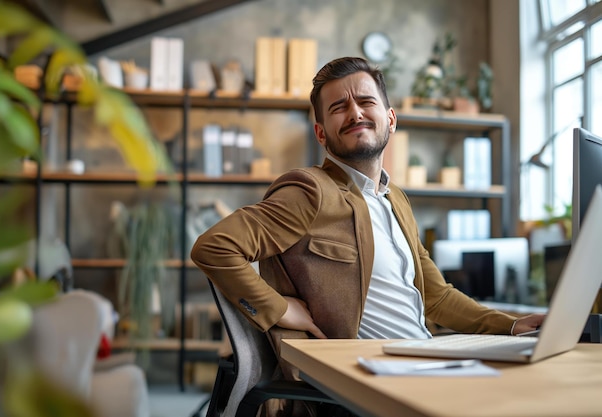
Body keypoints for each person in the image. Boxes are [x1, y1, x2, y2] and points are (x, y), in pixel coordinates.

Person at [191, 56, 544, 414]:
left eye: (366, 102)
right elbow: (214, 247)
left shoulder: (396, 201)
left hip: (422, 364)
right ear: (321, 133)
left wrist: (512, 325)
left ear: (390, 119)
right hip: (363, 387)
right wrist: (278, 309)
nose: (355, 113)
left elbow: (435, 297)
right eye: (339, 108)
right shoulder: (309, 190)